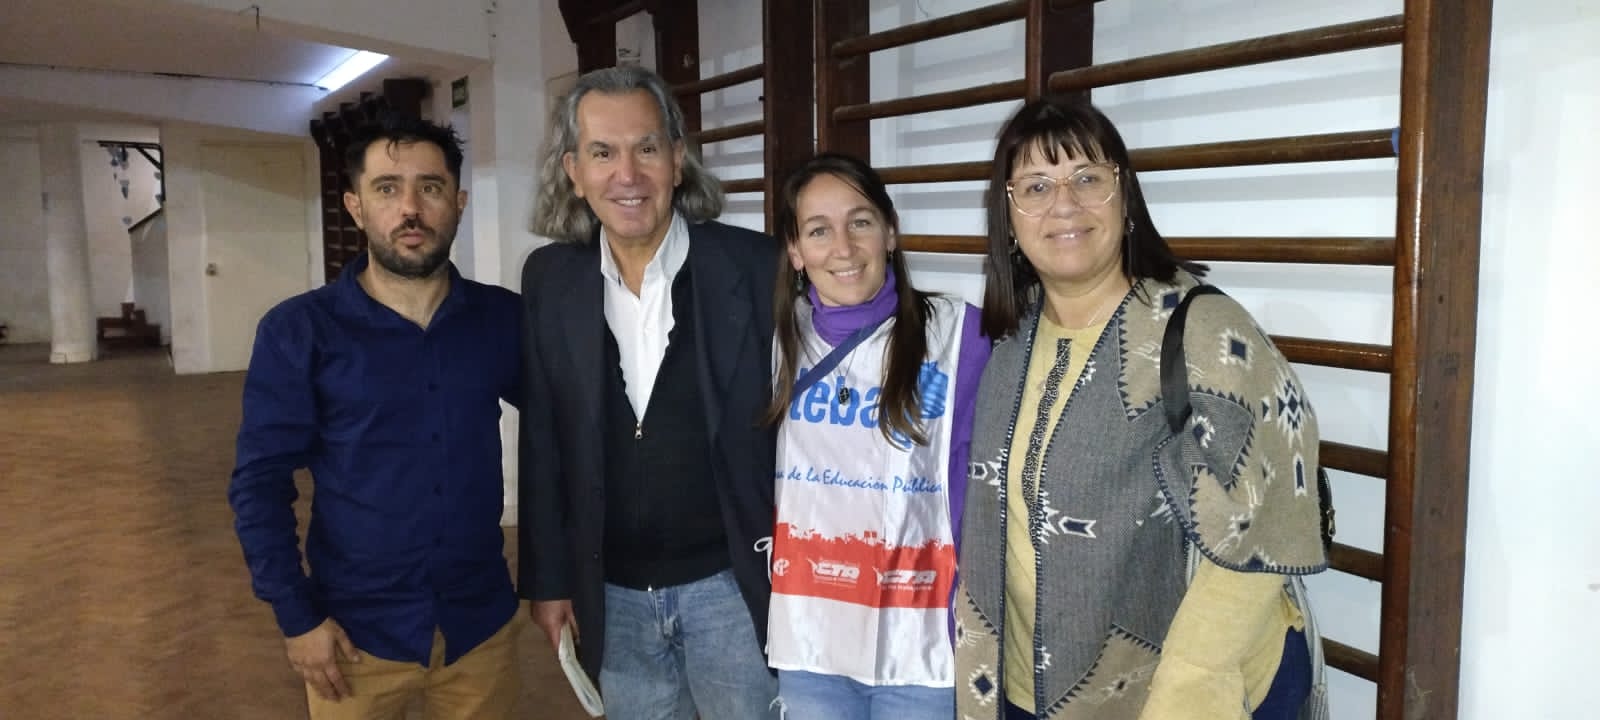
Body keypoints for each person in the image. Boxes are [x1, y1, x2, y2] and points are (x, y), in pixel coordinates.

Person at [953, 95, 1327, 720]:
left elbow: (1268, 524)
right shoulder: (1010, 340)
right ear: (1009, 217)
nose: (1064, 204)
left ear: (1124, 196)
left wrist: (1188, 691)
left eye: (1087, 179)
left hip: (1182, 694)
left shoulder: (1202, 330)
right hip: (1018, 690)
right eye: (1036, 186)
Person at [228, 114, 523, 719]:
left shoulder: (502, 320)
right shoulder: (299, 330)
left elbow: (568, 430)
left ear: (459, 202)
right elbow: (260, 483)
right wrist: (297, 616)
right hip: (352, 638)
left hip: (479, 628)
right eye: (387, 188)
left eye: (431, 187)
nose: (410, 208)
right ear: (356, 207)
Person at [519, 65, 780, 719]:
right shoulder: (550, 278)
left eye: (646, 147)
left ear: (677, 160)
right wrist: (548, 580)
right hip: (613, 595)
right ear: (574, 171)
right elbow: (543, 438)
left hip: (732, 588)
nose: (627, 174)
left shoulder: (756, 266)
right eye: (603, 153)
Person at [763, 153, 990, 719]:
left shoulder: (959, 335)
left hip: (921, 643)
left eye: (860, 222)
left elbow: (989, 483)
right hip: (809, 638)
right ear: (796, 250)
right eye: (819, 230)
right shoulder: (774, 340)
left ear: (890, 232)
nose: (843, 247)